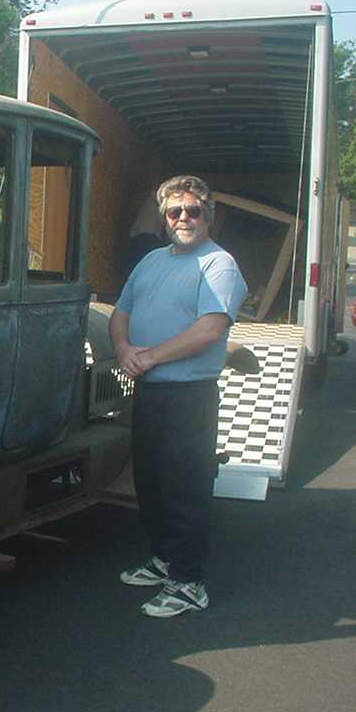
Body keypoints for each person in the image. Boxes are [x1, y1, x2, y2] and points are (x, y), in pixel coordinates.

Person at [110, 175, 248, 618]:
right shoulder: (150, 261)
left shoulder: (218, 265)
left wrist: (148, 358)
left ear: (209, 216)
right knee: (150, 482)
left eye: (193, 210)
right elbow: (120, 313)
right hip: (150, 390)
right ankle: (165, 559)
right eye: (175, 212)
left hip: (190, 396)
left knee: (184, 487)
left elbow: (210, 330)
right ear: (164, 218)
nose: (184, 218)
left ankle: (189, 582)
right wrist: (125, 351)